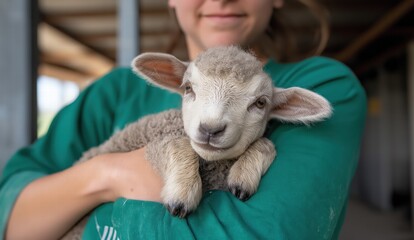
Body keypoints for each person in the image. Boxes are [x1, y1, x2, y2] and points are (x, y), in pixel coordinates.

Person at [0, 0, 367, 239]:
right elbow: (14, 219)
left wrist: (80, 206)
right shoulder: (114, 92)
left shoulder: (325, 86)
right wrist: (109, 173)